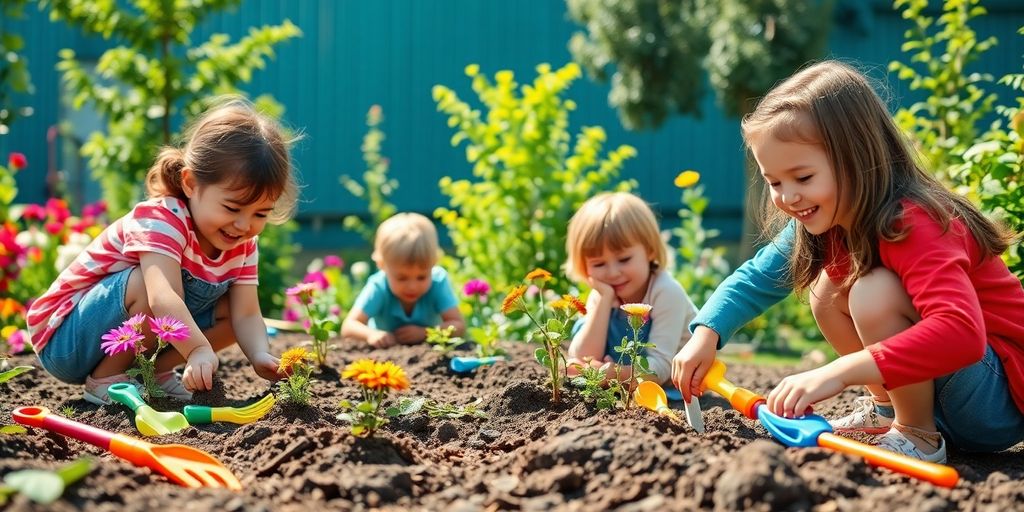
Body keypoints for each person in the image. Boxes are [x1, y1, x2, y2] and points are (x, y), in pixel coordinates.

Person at [671, 60, 1024, 463]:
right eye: (774, 182)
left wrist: (835, 373)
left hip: (996, 400)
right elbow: (755, 280)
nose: (787, 197)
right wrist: (706, 334)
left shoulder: (914, 221)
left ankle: (918, 435)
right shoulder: (822, 224)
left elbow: (961, 333)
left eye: (803, 178)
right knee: (828, 288)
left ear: (857, 158)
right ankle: (888, 410)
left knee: (873, 291)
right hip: (958, 390)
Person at [28, 98, 297, 404]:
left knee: (231, 314)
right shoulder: (162, 218)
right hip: (65, 339)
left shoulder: (243, 244)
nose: (243, 224)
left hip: (123, 337)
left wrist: (260, 354)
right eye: (232, 207)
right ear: (191, 183)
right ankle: (105, 380)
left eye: (260, 214)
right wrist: (196, 349)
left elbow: (247, 313)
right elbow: (162, 296)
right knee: (148, 282)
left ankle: (151, 372)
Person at [566, 192, 698, 385]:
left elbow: (661, 368)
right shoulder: (604, 292)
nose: (612, 273)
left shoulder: (666, 292)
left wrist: (613, 374)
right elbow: (583, 357)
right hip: (630, 379)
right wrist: (604, 301)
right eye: (598, 264)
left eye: (624, 259)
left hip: (674, 383)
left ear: (649, 250)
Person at [341, 213, 465, 347]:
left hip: (429, 352)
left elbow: (458, 325)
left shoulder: (438, 281)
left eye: (421, 277)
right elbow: (349, 326)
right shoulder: (379, 286)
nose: (412, 286)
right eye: (402, 278)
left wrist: (425, 333)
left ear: (434, 263)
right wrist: (371, 334)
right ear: (382, 265)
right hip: (385, 355)